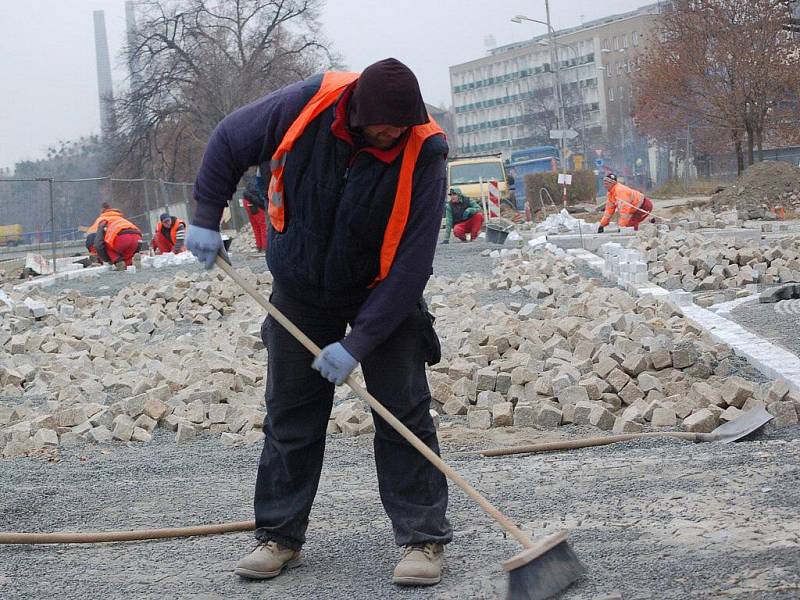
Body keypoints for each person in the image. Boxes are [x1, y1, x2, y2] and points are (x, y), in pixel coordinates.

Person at [186, 58, 452, 586]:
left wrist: (361, 341)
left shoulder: (426, 149)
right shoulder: (304, 105)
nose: (394, 135)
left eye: (403, 126)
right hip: (302, 290)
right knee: (290, 415)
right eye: (386, 127)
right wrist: (203, 216)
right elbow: (229, 139)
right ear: (358, 111)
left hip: (383, 293)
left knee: (403, 413)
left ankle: (422, 539)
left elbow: (413, 262)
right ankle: (279, 536)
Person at [242, 175, 268, 251]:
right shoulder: (264, 177)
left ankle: (259, 246)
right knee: (263, 225)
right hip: (254, 200)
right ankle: (265, 247)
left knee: (256, 225)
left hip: (246, 199)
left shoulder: (254, 177)